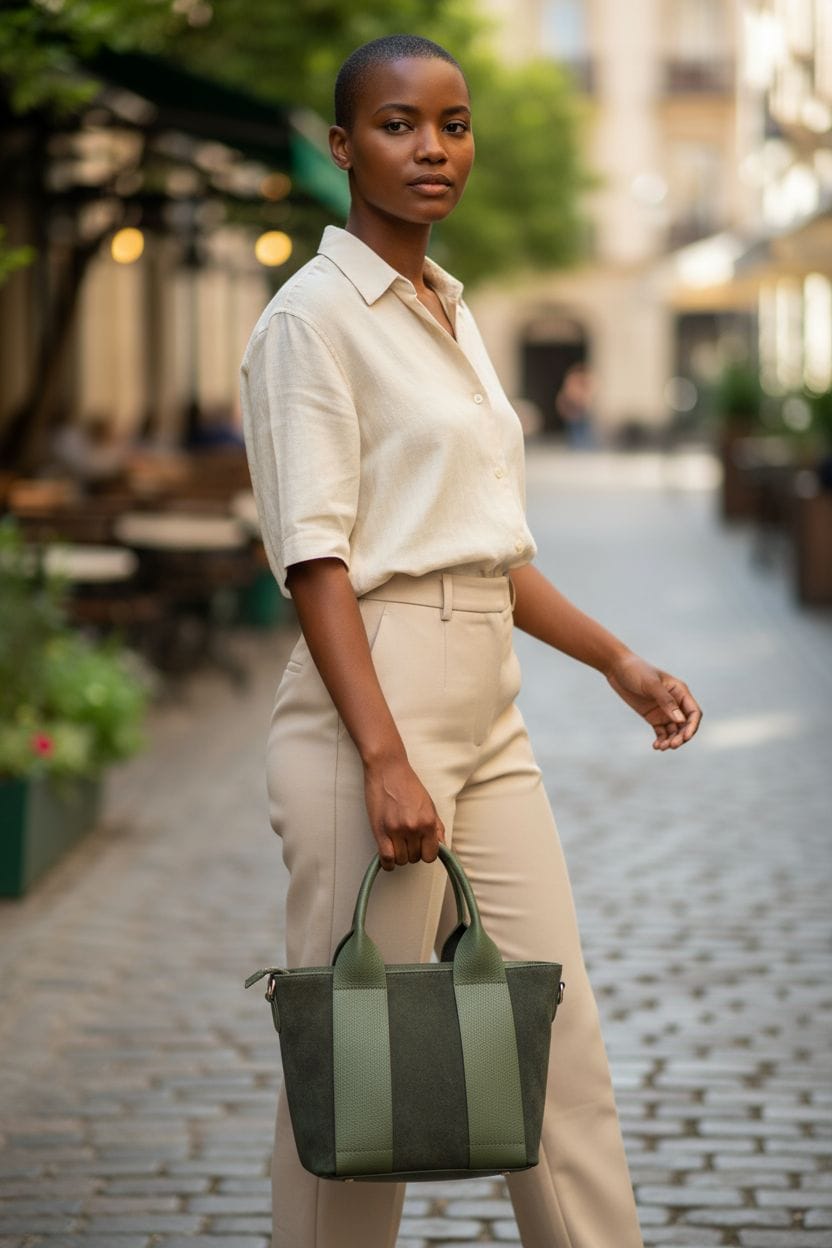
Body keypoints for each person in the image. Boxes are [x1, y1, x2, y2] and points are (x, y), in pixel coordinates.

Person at [239, 34, 702, 1248]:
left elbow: (487, 547)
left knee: (554, 1050)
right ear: (343, 148)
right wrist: (386, 757)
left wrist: (616, 661)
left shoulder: (448, 308)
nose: (431, 147)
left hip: (487, 706)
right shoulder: (312, 321)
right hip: (369, 705)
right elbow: (316, 561)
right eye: (397, 125)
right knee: (361, 1078)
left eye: (451, 123)